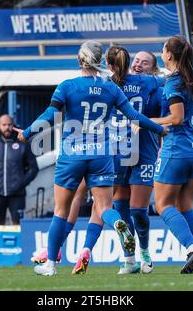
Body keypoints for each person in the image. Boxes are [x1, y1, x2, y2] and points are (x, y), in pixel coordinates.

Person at [17, 40, 167, 276]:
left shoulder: (67, 86)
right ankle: (118, 224)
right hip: (102, 154)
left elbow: (50, 115)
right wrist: (160, 129)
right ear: (100, 62)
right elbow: (134, 116)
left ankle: (50, 265)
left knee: (61, 210)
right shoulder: (111, 89)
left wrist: (26, 134)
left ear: (80, 60)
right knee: (106, 206)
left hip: (72, 155)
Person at [71, 46, 163, 275]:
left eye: (145, 61)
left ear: (153, 68)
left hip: (142, 151)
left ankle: (144, 252)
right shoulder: (144, 83)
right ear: (129, 63)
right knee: (123, 209)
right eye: (137, 60)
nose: (140, 63)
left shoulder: (111, 84)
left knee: (137, 210)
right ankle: (129, 258)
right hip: (118, 151)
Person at [149, 35, 193, 274]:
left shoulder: (174, 82)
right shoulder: (192, 80)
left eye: (163, 49)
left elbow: (176, 118)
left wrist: (149, 121)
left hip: (178, 149)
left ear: (169, 55)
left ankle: (192, 248)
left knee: (162, 204)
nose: (161, 53)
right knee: (186, 204)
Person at [0, 114, 39, 265]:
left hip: (17, 194)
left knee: (17, 223)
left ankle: (18, 258)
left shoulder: (23, 144)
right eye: (4, 124)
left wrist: (21, 183)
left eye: (9, 124)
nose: (7, 127)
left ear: (13, 125)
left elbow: (33, 168)